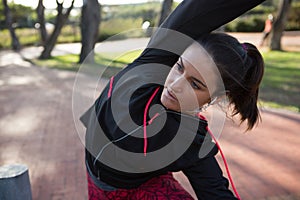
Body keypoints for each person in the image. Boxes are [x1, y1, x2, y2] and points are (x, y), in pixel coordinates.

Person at [80, 0, 265, 199]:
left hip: (137, 189)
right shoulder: (152, 63)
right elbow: (202, 8)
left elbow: (214, 192)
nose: (175, 85)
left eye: (195, 85)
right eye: (179, 66)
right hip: (95, 177)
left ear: (216, 97)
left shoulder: (191, 138)